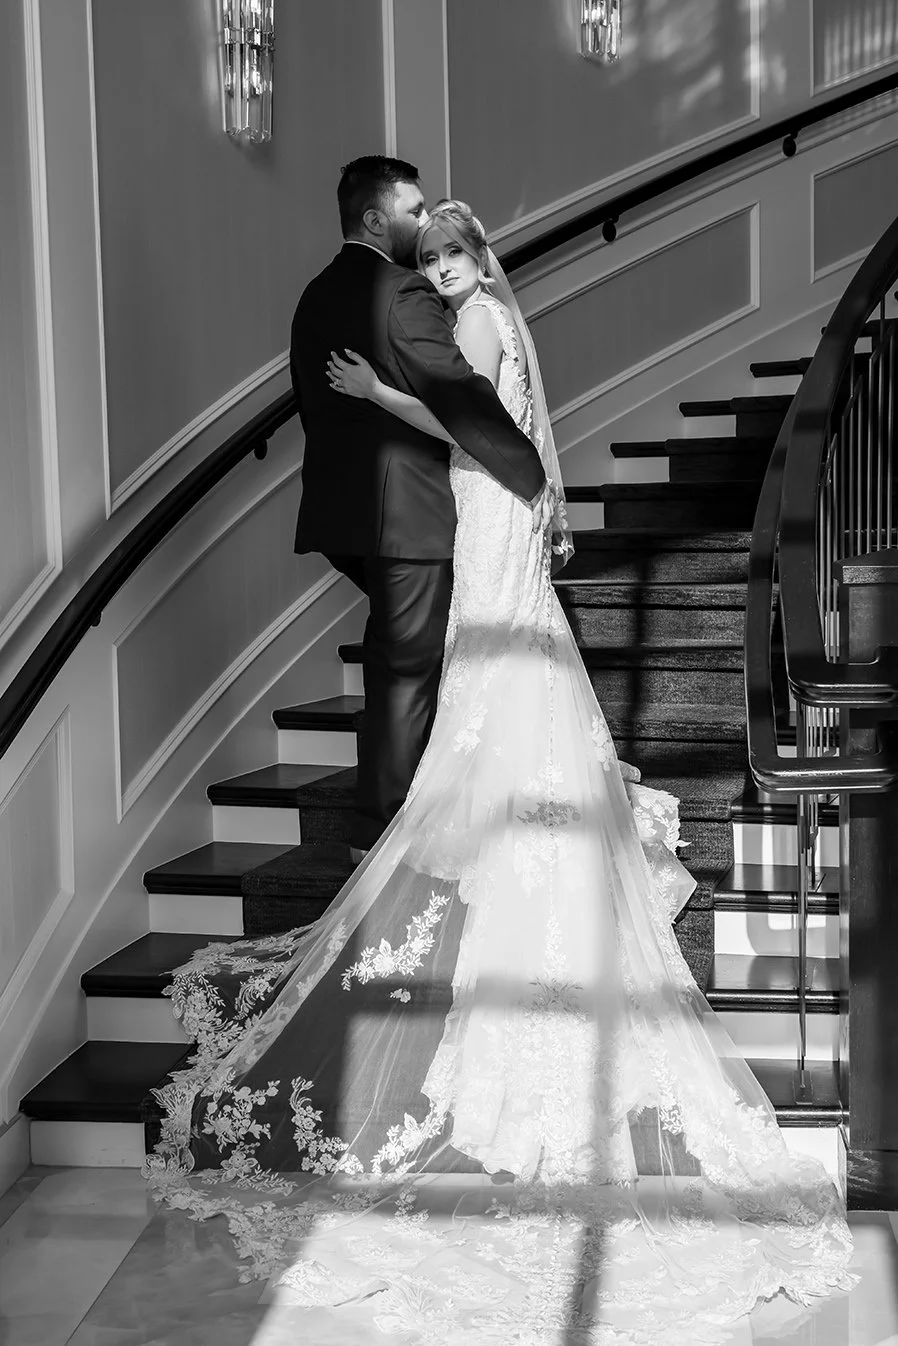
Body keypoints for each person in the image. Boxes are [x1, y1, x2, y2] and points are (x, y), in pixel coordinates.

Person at [147, 199, 855, 1344]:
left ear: (479, 258)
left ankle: (497, 844)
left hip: (490, 517)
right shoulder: (508, 325)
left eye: (452, 254)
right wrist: (556, 503)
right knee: (514, 675)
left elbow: (470, 421)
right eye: (429, 256)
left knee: (493, 678)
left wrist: (381, 398)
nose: (442, 269)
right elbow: (533, 431)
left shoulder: (474, 327)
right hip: (511, 514)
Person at [289, 156, 552, 862]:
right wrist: (529, 471)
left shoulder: (314, 297)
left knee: (403, 657)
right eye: (413, 211)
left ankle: (436, 804)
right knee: (407, 669)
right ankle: (380, 836)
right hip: (409, 517)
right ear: (377, 218)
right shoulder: (402, 292)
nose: (421, 222)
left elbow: (316, 411)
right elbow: (460, 398)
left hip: (347, 518)